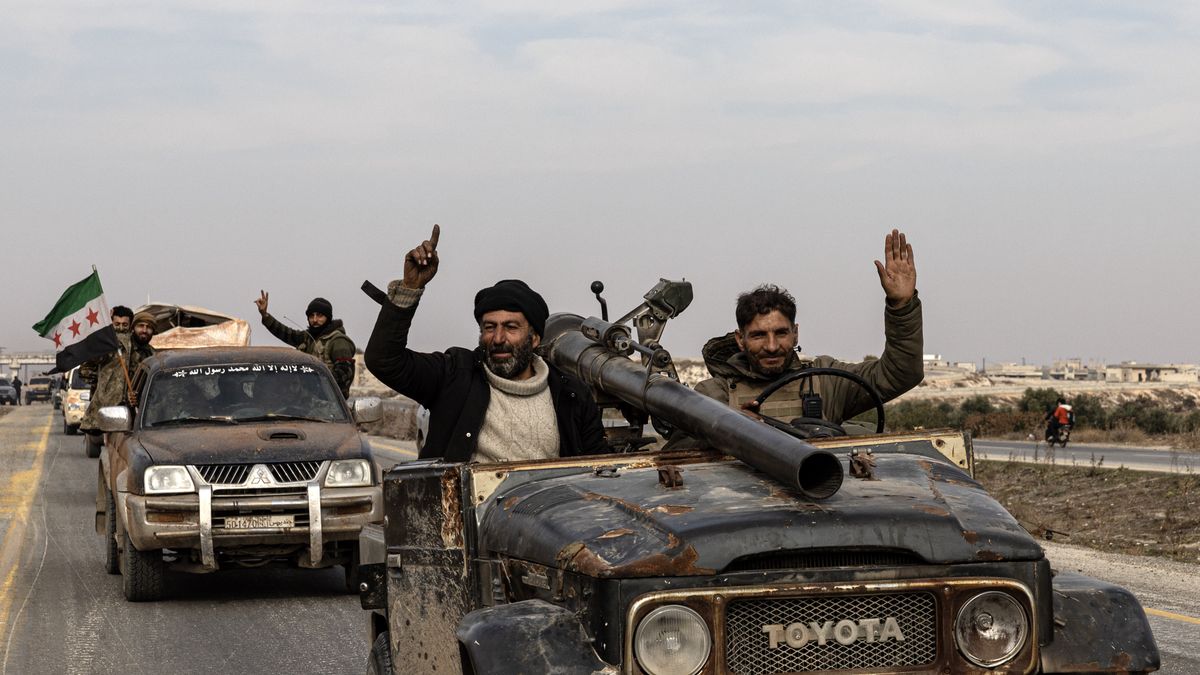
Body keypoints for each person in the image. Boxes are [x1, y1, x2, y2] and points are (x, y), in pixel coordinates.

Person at [362, 224, 608, 463]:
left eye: (511, 327)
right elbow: (384, 360)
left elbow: (600, 470)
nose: (498, 339)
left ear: (534, 339)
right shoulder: (454, 375)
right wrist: (409, 289)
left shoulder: (572, 394)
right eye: (490, 327)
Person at [689, 229, 924, 433]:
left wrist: (901, 306)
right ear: (741, 340)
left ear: (795, 334)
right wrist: (728, 429)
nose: (771, 347)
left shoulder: (826, 381)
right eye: (759, 335)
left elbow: (900, 374)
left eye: (781, 333)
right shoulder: (712, 396)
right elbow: (680, 459)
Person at [254, 292, 356, 398]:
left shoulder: (338, 341)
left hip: (328, 404)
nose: (315, 320)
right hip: (304, 402)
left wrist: (313, 382)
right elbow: (285, 333)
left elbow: (344, 375)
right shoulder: (307, 338)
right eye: (311, 316)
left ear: (328, 318)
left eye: (319, 315)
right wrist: (265, 315)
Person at [81, 311, 158, 436]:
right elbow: (87, 368)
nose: (144, 330)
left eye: (149, 327)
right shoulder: (117, 346)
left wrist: (138, 396)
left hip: (142, 417)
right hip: (116, 415)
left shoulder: (153, 355)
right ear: (133, 328)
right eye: (141, 326)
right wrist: (105, 387)